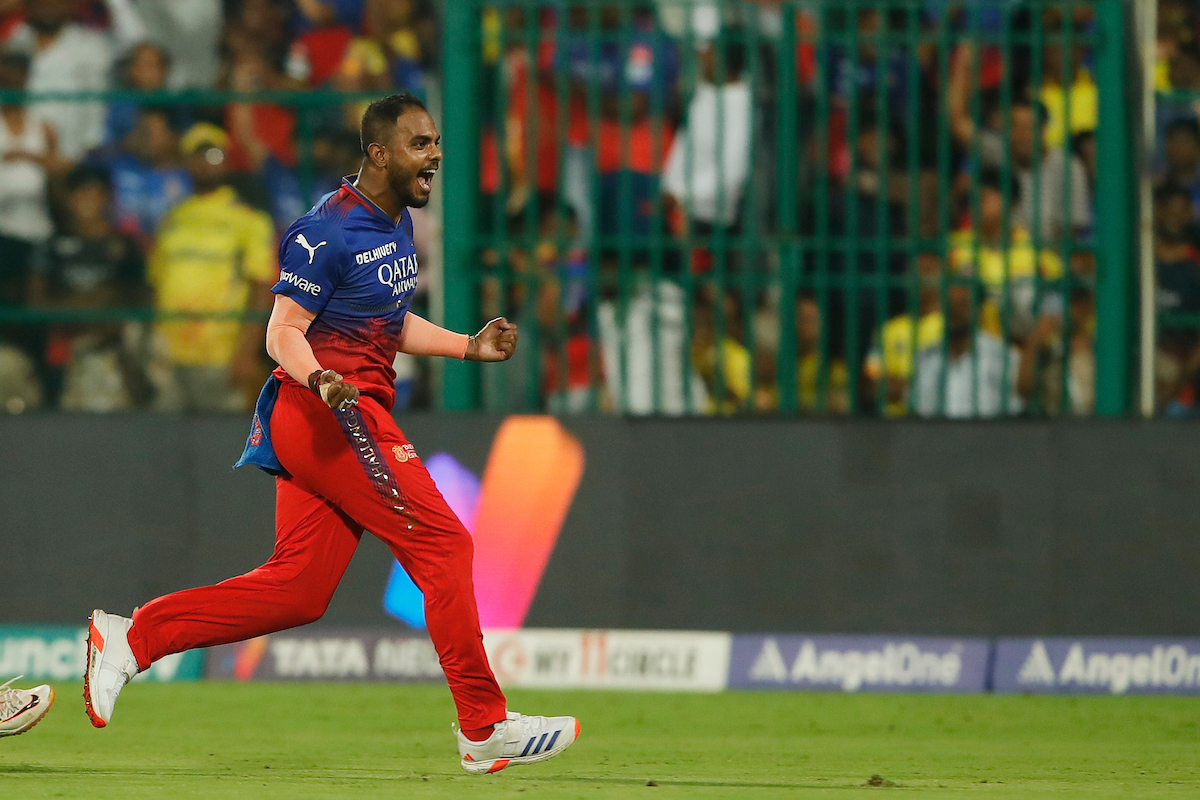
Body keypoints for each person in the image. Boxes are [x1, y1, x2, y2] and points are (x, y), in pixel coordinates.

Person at [83, 93, 580, 775]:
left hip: (338, 415)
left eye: (436, 142)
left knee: (297, 590)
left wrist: (468, 346)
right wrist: (320, 380)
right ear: (379, 154)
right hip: (331, 415)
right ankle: (483, 726)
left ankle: (134, 638)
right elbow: (281, 331)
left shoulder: (396, 220)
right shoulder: (326, 232)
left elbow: (387, 322)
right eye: (420, 144)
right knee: (445, 545)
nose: (435, 155)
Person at [147, 123, 276, 412]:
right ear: (186, 163)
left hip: (221, 354)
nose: (206, 163)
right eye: (198, 155)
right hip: (170, 356)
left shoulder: (249, 220)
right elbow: (156, 283)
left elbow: (260, 289)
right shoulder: (172, 219)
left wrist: (245, 353)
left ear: (227, 162)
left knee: (222, 443)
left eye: (214, 154)